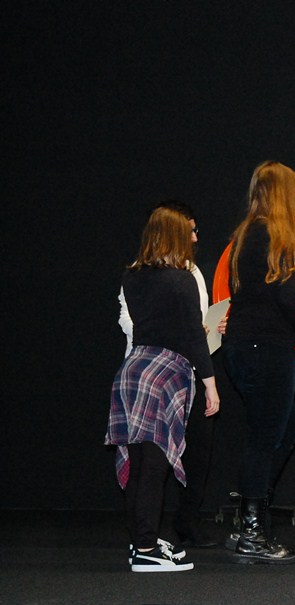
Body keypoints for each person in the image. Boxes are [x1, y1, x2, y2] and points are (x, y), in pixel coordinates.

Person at [106, 205, 220, 572]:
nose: (194, 239)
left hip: (132, 370)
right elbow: (193, 338)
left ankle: (142, 540)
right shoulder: (182, 279)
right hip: (163, 375)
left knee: (138, 465)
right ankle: (145, 549)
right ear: (175, 236)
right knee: (154, 467)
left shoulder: (132, 276)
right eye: (189, 233)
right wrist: (211, 386)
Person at [222, 161, 295, 565]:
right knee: (266, 438)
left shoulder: (248, 233)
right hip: (265, 347)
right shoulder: (272, 235)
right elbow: (284, 295)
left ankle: (252, 519)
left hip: (245, 346)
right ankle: (251, 530)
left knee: (280, 432)